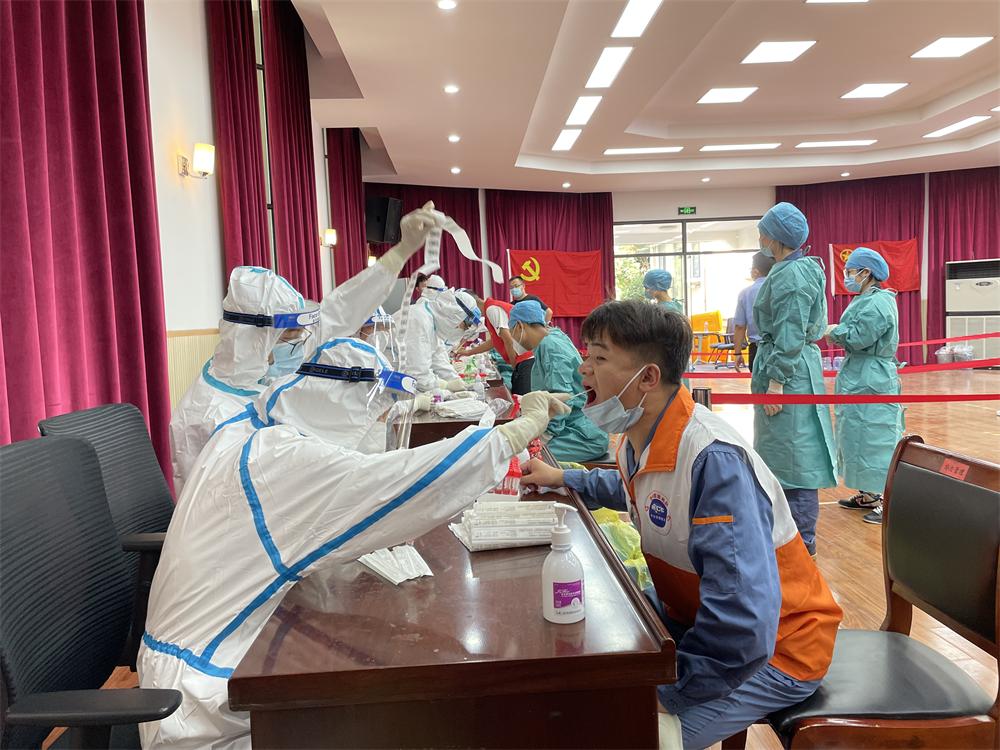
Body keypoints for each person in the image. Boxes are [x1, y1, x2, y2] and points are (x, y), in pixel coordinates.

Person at [139, 336, 573, 750]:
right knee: (397, 709)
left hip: (220, 648)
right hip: (204, 697)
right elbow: (400, 484)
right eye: (374, 413)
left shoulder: (247, 430)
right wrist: (518, 430)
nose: (375, 425)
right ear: (342, 402)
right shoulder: (283, 460)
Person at [520, 300, 842, 749]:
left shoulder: (714, 461)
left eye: (599, 358)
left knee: (622, 732)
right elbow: (639, 489)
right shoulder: (639, 439)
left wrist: (663, 693)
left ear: (647, 377)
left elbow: (743, 631)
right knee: (588, 662)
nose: (583, 370)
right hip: (693, 622)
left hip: (775, 650)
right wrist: (564, 478)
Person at [169, 204, 441, 495]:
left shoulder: (267, 365)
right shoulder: (206, 414)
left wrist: (401, 252)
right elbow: (234, 499)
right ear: (255, 337)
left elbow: (341, 309)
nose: (300, 344)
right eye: (291, 335)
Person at [752, 201, 837, 556]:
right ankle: (787, 538)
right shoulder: (798, 268)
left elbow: (790, 330)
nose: (760, 239)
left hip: (789, 372)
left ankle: (801, 544)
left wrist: (777, 382)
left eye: (763, 233)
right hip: (790, 366)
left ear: (775, 237)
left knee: (794, 461)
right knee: (783, 456)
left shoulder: (791, 276)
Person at [827, 247, 903, 525]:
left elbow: (860, 337)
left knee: (876, 439)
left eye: (850, 271)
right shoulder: (865, 299)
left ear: (866, 272)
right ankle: (869, 495)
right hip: (859, 375)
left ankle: (888, 502)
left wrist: (833, 332)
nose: (847, 276)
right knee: (856, 436)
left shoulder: (879, 302)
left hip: (873, 377)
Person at [509, 299, 608, 462]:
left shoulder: (550, 345)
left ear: (519, 326)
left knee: (524, 457)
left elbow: (563, 396)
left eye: (511, 332)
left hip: (582, 434)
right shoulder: (551, 338)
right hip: (568, 425)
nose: (513, 339)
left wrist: (546, 433)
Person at [396, 287, 479, 393]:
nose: (463, 330)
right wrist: (446, 386)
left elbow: (439, 360)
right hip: (389, 383)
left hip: (401, 383)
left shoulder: (434, 325)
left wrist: (455, 380)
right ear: (455, 313)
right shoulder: (418, 319)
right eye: (465, 326)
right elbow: (418, 374)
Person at [456, 292, 535, 395]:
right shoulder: (490, 311)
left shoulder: (492, 309)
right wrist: (469, 352)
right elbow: (495, 341)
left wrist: (514, 366)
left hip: (526, 359)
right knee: (518, 395)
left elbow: (508, 340)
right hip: (523, 359)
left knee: (522, 397)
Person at [733, 251, 775, 372]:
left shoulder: (745, 293)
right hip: (781, 348)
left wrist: (737, 353)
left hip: (757, 350)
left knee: (759, 383)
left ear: (756, 271)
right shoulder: (781, 288)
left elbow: (740, 327)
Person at [415, 274, 461, 382]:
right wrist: (438, 384)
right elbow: (419, 365)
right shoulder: (421, 313)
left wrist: (454, 379)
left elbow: (437, 351)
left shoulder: (432, 313)